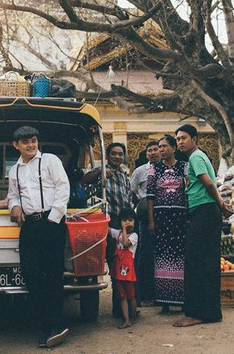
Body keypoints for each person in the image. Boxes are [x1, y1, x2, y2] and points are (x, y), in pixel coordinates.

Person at [8, 126, 70, 348]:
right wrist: (14, 206)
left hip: (51, 222)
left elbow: (63, 188)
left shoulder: (50, 160)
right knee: (31, 273)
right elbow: (13, 195)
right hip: (30, 226)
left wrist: (54, 218)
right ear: (16, 145)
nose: (31, 145)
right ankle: (45, 324)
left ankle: (55, 325)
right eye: (25, 142)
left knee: (53, 273)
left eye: (33, 140)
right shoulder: (14, 170)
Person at [173, 124, 228, 328]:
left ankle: (196, 313)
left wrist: (221, 204)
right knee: (207, 263)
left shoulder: (196, 157)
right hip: (206, 212)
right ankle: (211, 312)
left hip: (205, 212)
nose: (180, 142)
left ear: (194, 139)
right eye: (177, 138)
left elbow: (209, 183)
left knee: (195, 262)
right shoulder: (197, 157)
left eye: (184, 138)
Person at [82, 142, 132, 316]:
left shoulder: (125, 174)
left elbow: (127, 197)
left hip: (121, 222)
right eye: (114, 154)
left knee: (120, 264)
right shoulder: (99, 170)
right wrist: (101, 172)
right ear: (108, 155)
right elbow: (85, 180)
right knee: (102, 262)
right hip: (105, 221)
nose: (117, 157)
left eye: (120, 154)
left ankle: (120, 309)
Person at [146, 134, 189, 314]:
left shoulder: (184, 167)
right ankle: (164, 301)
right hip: (161, 218)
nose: (161, 150)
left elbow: (188, 191)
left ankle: (180, 300)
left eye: (164, 146)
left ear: (173, 148)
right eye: (159, 146)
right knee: (162, 257)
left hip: (179, 217)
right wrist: (151, 220)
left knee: (179, 256)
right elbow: (150, 196)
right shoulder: (153, 169)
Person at [130, 140, 161, 306]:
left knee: (162, 253)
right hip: (144, 217)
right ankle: (145, 294)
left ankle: (161, 292)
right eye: (150, 150)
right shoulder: (140, 171)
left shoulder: (166, 169)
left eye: (156, 149)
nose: (153, 153)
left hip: (163, 215)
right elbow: (132, 192)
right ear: (146, 153)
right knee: (146, 254)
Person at [110, 208, 139, 329]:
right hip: (118, 270)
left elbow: (126, 243)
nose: (127, 223)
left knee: (131, 296)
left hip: (128, 271)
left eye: (130, 220)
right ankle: (126, 319)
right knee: (121, 296)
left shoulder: (134, 236)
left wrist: (124, 230)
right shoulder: (118, 234)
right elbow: (107, 230)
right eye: (124, 220)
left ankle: (133, 316)